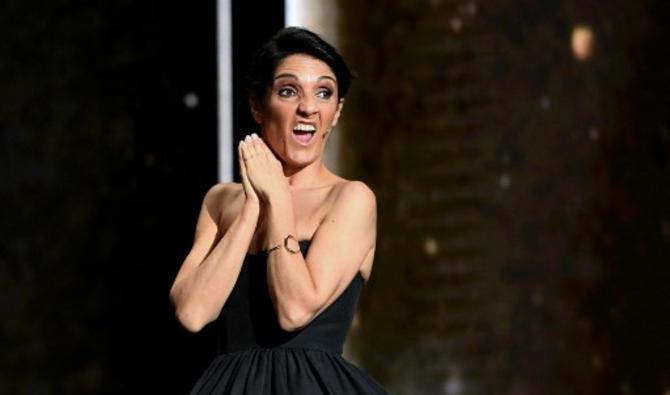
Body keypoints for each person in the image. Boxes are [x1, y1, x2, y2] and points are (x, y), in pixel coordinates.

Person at [169, 27, 387, 394]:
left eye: (324, 93)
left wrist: (279, 201)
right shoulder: (221, 201)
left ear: (336, 112)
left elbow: (295, 310)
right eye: (288, 91)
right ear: (257, 104)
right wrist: (254, 205)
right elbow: (192, 313)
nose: (308, 107)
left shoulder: (351, 198)